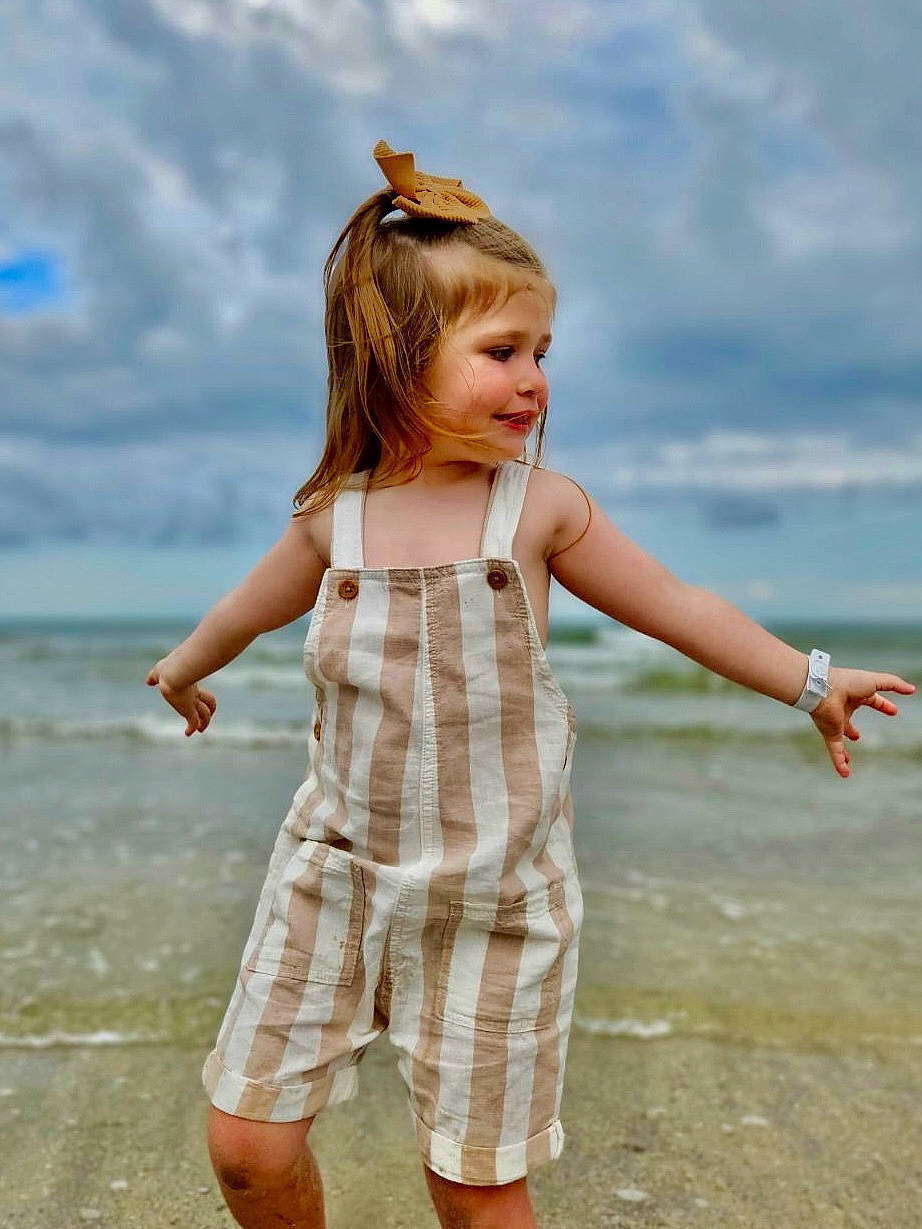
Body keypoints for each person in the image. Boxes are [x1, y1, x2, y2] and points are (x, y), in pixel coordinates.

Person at [145, 140, 915, 1229]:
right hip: (334, 877)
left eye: (542, 351)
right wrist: (183, 669)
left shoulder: (540, 510)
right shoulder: (335, 516)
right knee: (246, 1144)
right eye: (503, 349)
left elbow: (679, 605)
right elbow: (246, 609)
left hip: (494, 899)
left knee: (474, 1181)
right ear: (394, 356)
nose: (534, 380)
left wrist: (811, 681)